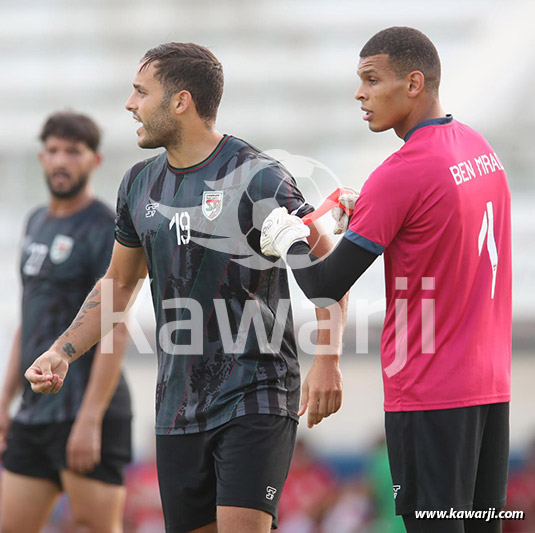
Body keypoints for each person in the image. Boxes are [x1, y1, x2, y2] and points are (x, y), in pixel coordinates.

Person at [24, 43, 345, 533]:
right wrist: (63, 351)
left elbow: (328, 267)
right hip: (177, 408)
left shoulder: (259, 177)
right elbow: (120, 283)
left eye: (140, 92)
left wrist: (329, 360)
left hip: (255, 397)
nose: (130, 104)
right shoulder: (138, 184)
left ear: (180, 102)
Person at [261, 26, 511, 533]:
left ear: (414, 83)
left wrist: (288, 239)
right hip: (490, 389)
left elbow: (326, 284)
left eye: (372, 80)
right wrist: (371, 217)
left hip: (430, 394)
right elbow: (439, 236)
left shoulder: (402, 171)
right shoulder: (477, 148)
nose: (360, 93)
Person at [0, 111, 132, 532]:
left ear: (94, 161)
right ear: (42, 158)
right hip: (35, 410)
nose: (61, 161)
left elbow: (117, 325)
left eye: (73, 152)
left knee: (95, 525)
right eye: (53, 151)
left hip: (86, 410)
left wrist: (90, 419)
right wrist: (5, 402)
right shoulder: (36, 222)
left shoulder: (104, 227)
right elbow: (29, 319)